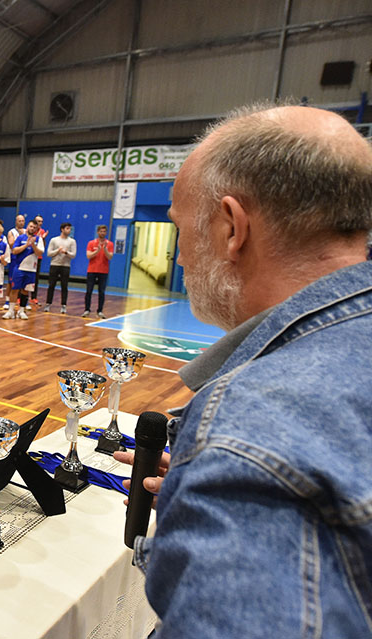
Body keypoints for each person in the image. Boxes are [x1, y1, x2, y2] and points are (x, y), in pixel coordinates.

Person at [114, 105, 372, 638]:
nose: (180, 256)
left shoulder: (249, 418)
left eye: (181, 229)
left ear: (232, 228)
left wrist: (233, 462)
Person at [3, 219, 43, 320]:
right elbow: (14, 250)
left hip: (31, 269)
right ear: (27, 227)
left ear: (36, 229)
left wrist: (33, 245)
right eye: (31, 226)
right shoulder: (20, 238)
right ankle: (11, 311)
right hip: (19, 268)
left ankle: (21, 311)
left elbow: (40, 253)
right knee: (14, 289)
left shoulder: (39, 239)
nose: (32, 228)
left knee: (25, 291)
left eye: (34, 227)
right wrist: (26, 245)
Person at [44, 222, 76, 313]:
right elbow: (49, 253)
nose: (69, 230)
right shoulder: (54, 240)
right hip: (54, 265)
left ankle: (63, 305)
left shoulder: (72, 241)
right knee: (51, 285)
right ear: (62, 229)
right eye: (67, 228)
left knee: (64, 286)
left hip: (65, 266)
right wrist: (58, 250)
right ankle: (48, 304)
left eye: (70, 229)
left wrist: (66, 252)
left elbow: (73, 255)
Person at [82, 224, 112, 319]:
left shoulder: (109, 244)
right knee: (89, 291)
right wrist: (97, 250)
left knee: (101, 292)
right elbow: (88, 256)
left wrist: (105, 249)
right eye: (101, 231)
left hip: (103, 271)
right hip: (92, 270)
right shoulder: (91, 243)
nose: (102, 233)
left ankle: (100, 311)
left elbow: (110, 257)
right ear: (98, 232)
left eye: (104, 231)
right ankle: (87, 309)